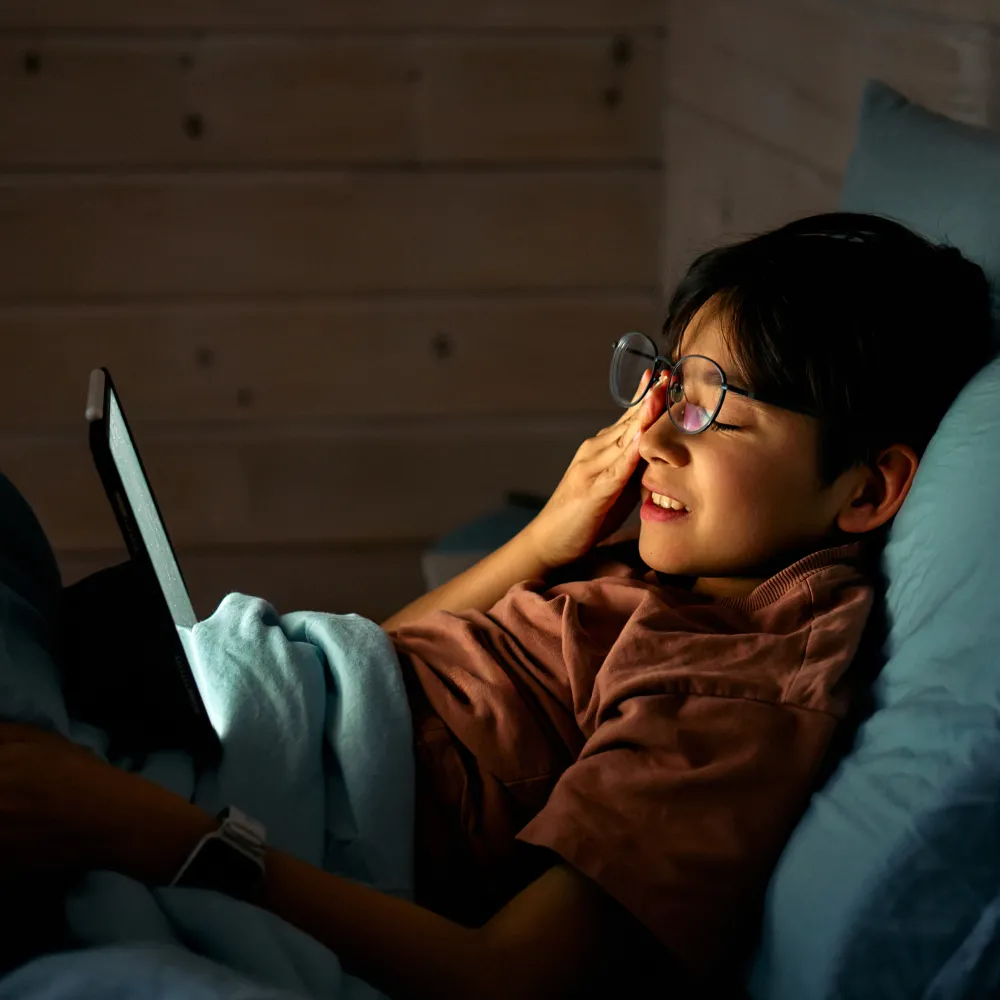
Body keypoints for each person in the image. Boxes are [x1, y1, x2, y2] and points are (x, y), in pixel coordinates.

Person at [0, 213, 993, 1000]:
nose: (650, 437)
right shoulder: (672, 561)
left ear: (863, 491)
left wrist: (147, 831)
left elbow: (507, 974)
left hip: (228, 818)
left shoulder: (733, 691)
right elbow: (392, 660)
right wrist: (542, 542)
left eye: (710, 407)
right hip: (232, 720)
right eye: (661, 384)